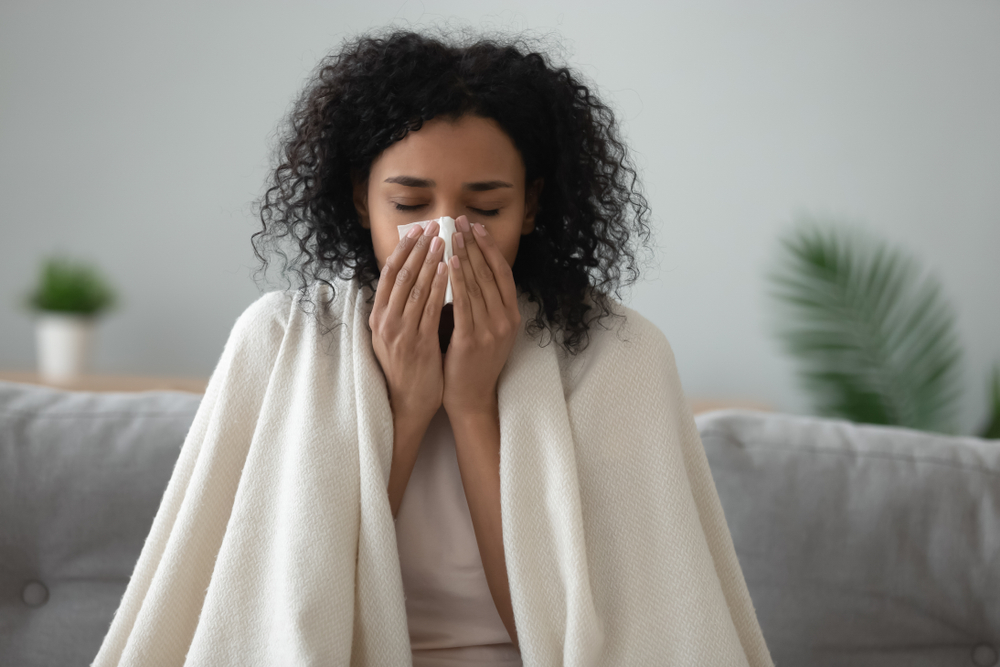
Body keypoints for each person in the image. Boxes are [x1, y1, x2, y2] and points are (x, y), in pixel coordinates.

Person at [93, 29, 773, 667]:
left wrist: (473, 407)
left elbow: (577, 639)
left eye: (485, 208)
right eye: (410, 204)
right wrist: (408, 408)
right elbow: (292, 614)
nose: (446, 235)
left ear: (531, 208)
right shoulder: (278, 341)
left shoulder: (619, 355)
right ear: (362, 201)